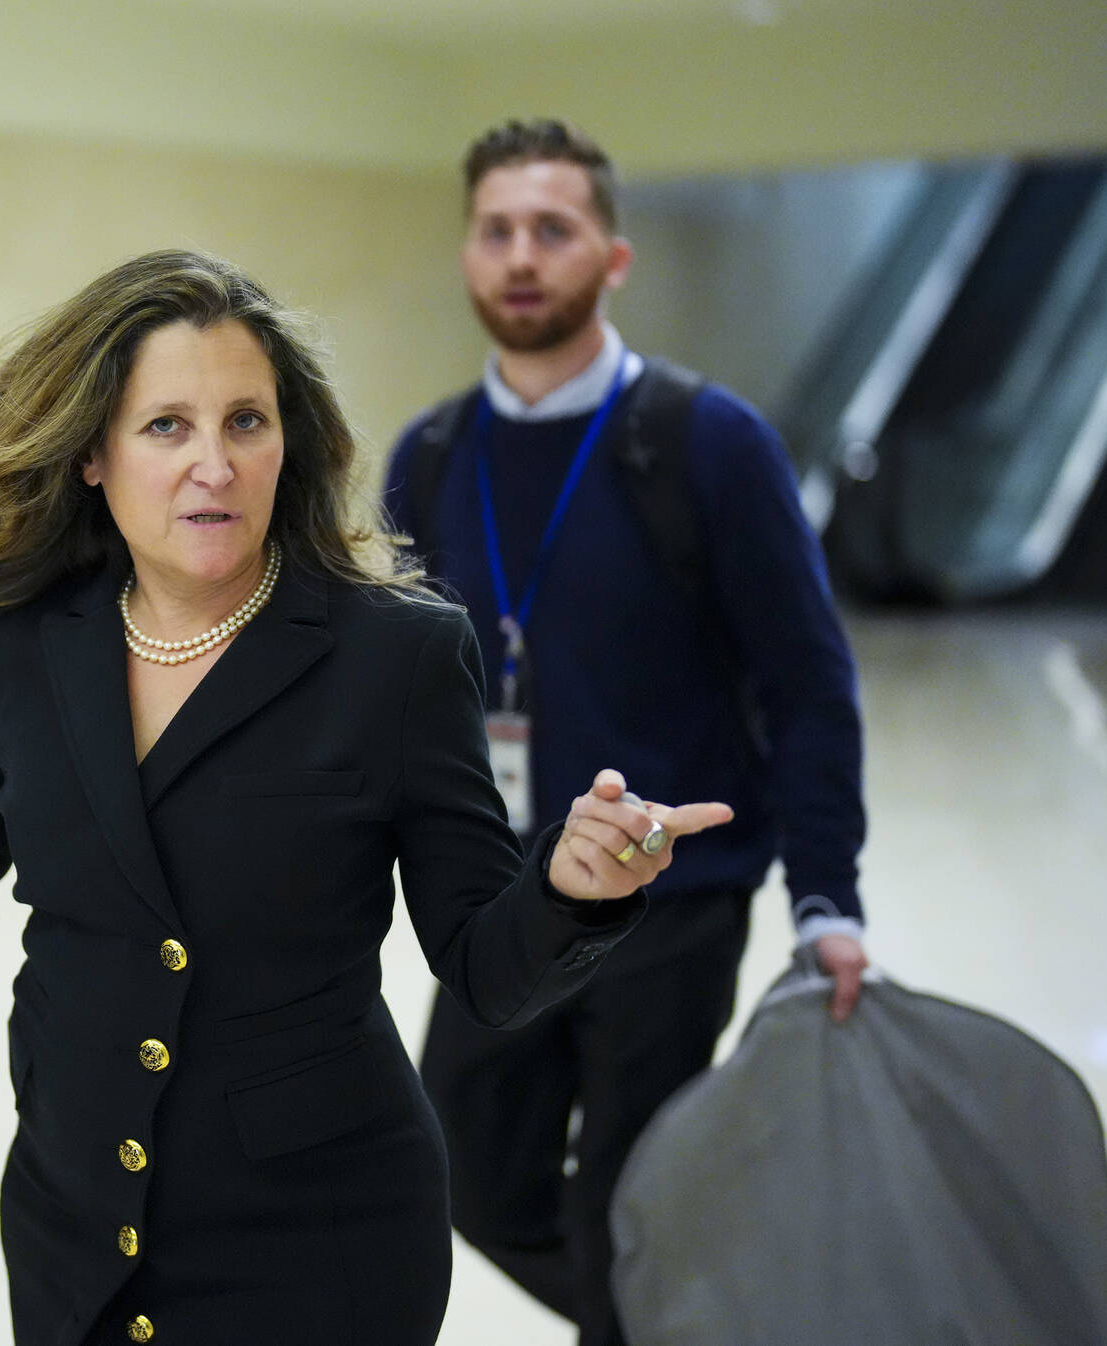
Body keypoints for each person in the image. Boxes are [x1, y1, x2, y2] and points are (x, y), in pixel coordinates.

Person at [0, 249, 734, 1346]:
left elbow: (483, 964)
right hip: (75, 1226)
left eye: (246, 420)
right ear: (94, 454)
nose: (214, 463)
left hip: (318, 1242)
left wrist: (573, 887)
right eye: (167, 427)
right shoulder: (24, 634)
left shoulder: (395, 654)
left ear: (288, 443)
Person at [384, 118, 872, 1345]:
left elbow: (807, 683)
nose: (520, 256)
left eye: (552, 228)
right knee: (465, 1170)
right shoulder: (431, 458)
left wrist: (826, 895)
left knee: (625, 1199)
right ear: (465, 255)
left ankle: (638, 1312)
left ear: (612, 256)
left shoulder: (706, 442)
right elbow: (389, 699)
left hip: (671, 898)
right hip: (506, 902)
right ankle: (669, 1320)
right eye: (495, 230)